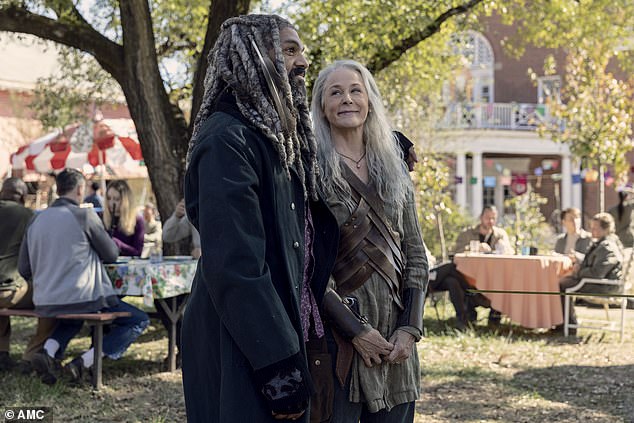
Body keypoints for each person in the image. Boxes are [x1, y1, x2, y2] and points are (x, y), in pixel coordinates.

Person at [182, 15, 339, 422]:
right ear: (251, 55)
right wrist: (280, 371)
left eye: (301, 50)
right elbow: (237, 267)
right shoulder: (226, 140)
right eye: (289, 50)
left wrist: (392, 145)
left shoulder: (275, 138)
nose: (303, 62)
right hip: (241, 343)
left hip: (277, 332)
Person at [311, 59, 428, 422]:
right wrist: (356, 331)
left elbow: (415, 255)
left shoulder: (394, 165)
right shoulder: (309, 169)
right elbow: (309, 264)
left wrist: (409, 330)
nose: (347, 99)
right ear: (322, 106)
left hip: (396, 345)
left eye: (355, 90)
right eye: (336, 92)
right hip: (339, 342)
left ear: (369, 100)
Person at [18, 169, 149, 385]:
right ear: (80, 189)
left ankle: (47, 353)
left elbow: (24, 269)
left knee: (73, 318)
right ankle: (84, 361)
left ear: (58, 189)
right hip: (84, 296)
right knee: (138, 320)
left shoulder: (35, 220)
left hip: (45, 300)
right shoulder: (84, 215)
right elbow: (111, 254)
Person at [0, 178, 56, 371]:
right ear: (23, 197)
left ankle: (2, 354)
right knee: (51, 297)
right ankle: (31, 357)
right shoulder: (28, 216)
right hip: (9, 292)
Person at [557, 213, 623, 335]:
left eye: (595, 228)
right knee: (563, 281)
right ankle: (563, 323)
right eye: (591, 227)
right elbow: (595, 262)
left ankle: (568, 326)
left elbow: (597, 272)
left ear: (606, 229)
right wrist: (578, 259)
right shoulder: (603, 243)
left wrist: (578, 271)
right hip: (602, 282)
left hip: (605, 286)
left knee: (562, 285)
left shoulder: (607, 246)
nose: (591, 230)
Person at [103, 180, 144, 257]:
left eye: (116, 199)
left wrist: (118, 243)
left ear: (126, 201)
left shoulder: (137, 220)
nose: (111, 203)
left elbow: (138, 252)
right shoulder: (101, 218)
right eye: (108, 198)